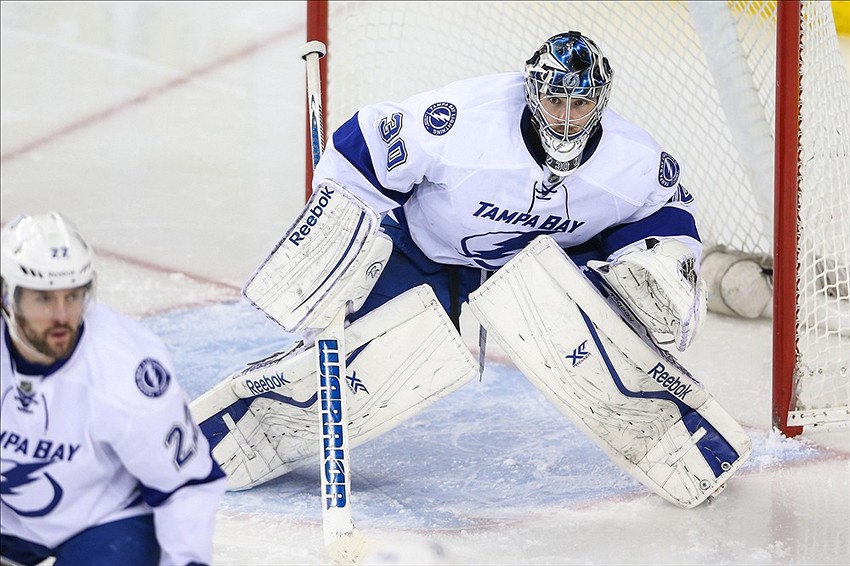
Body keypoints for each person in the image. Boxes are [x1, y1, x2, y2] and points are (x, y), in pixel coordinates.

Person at [312, 30, 706, 351]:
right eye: (555, 100)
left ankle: (652, 407)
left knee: (617, 338)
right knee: (366, 354)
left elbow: (665, 213)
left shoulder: (633, 161)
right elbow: (366, 147)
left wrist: (663, 262)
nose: (566, 118)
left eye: (581, 103)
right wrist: (334, 231)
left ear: (600, 102)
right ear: (533, 92)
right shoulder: (463, 120)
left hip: (547, 276)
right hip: (425, 251)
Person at [0, 212, 226, 566]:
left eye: (73, 296)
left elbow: (184, 484)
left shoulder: (128, 366)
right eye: (44, 299)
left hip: (102, 522)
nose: (62, 316)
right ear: (6, 297)